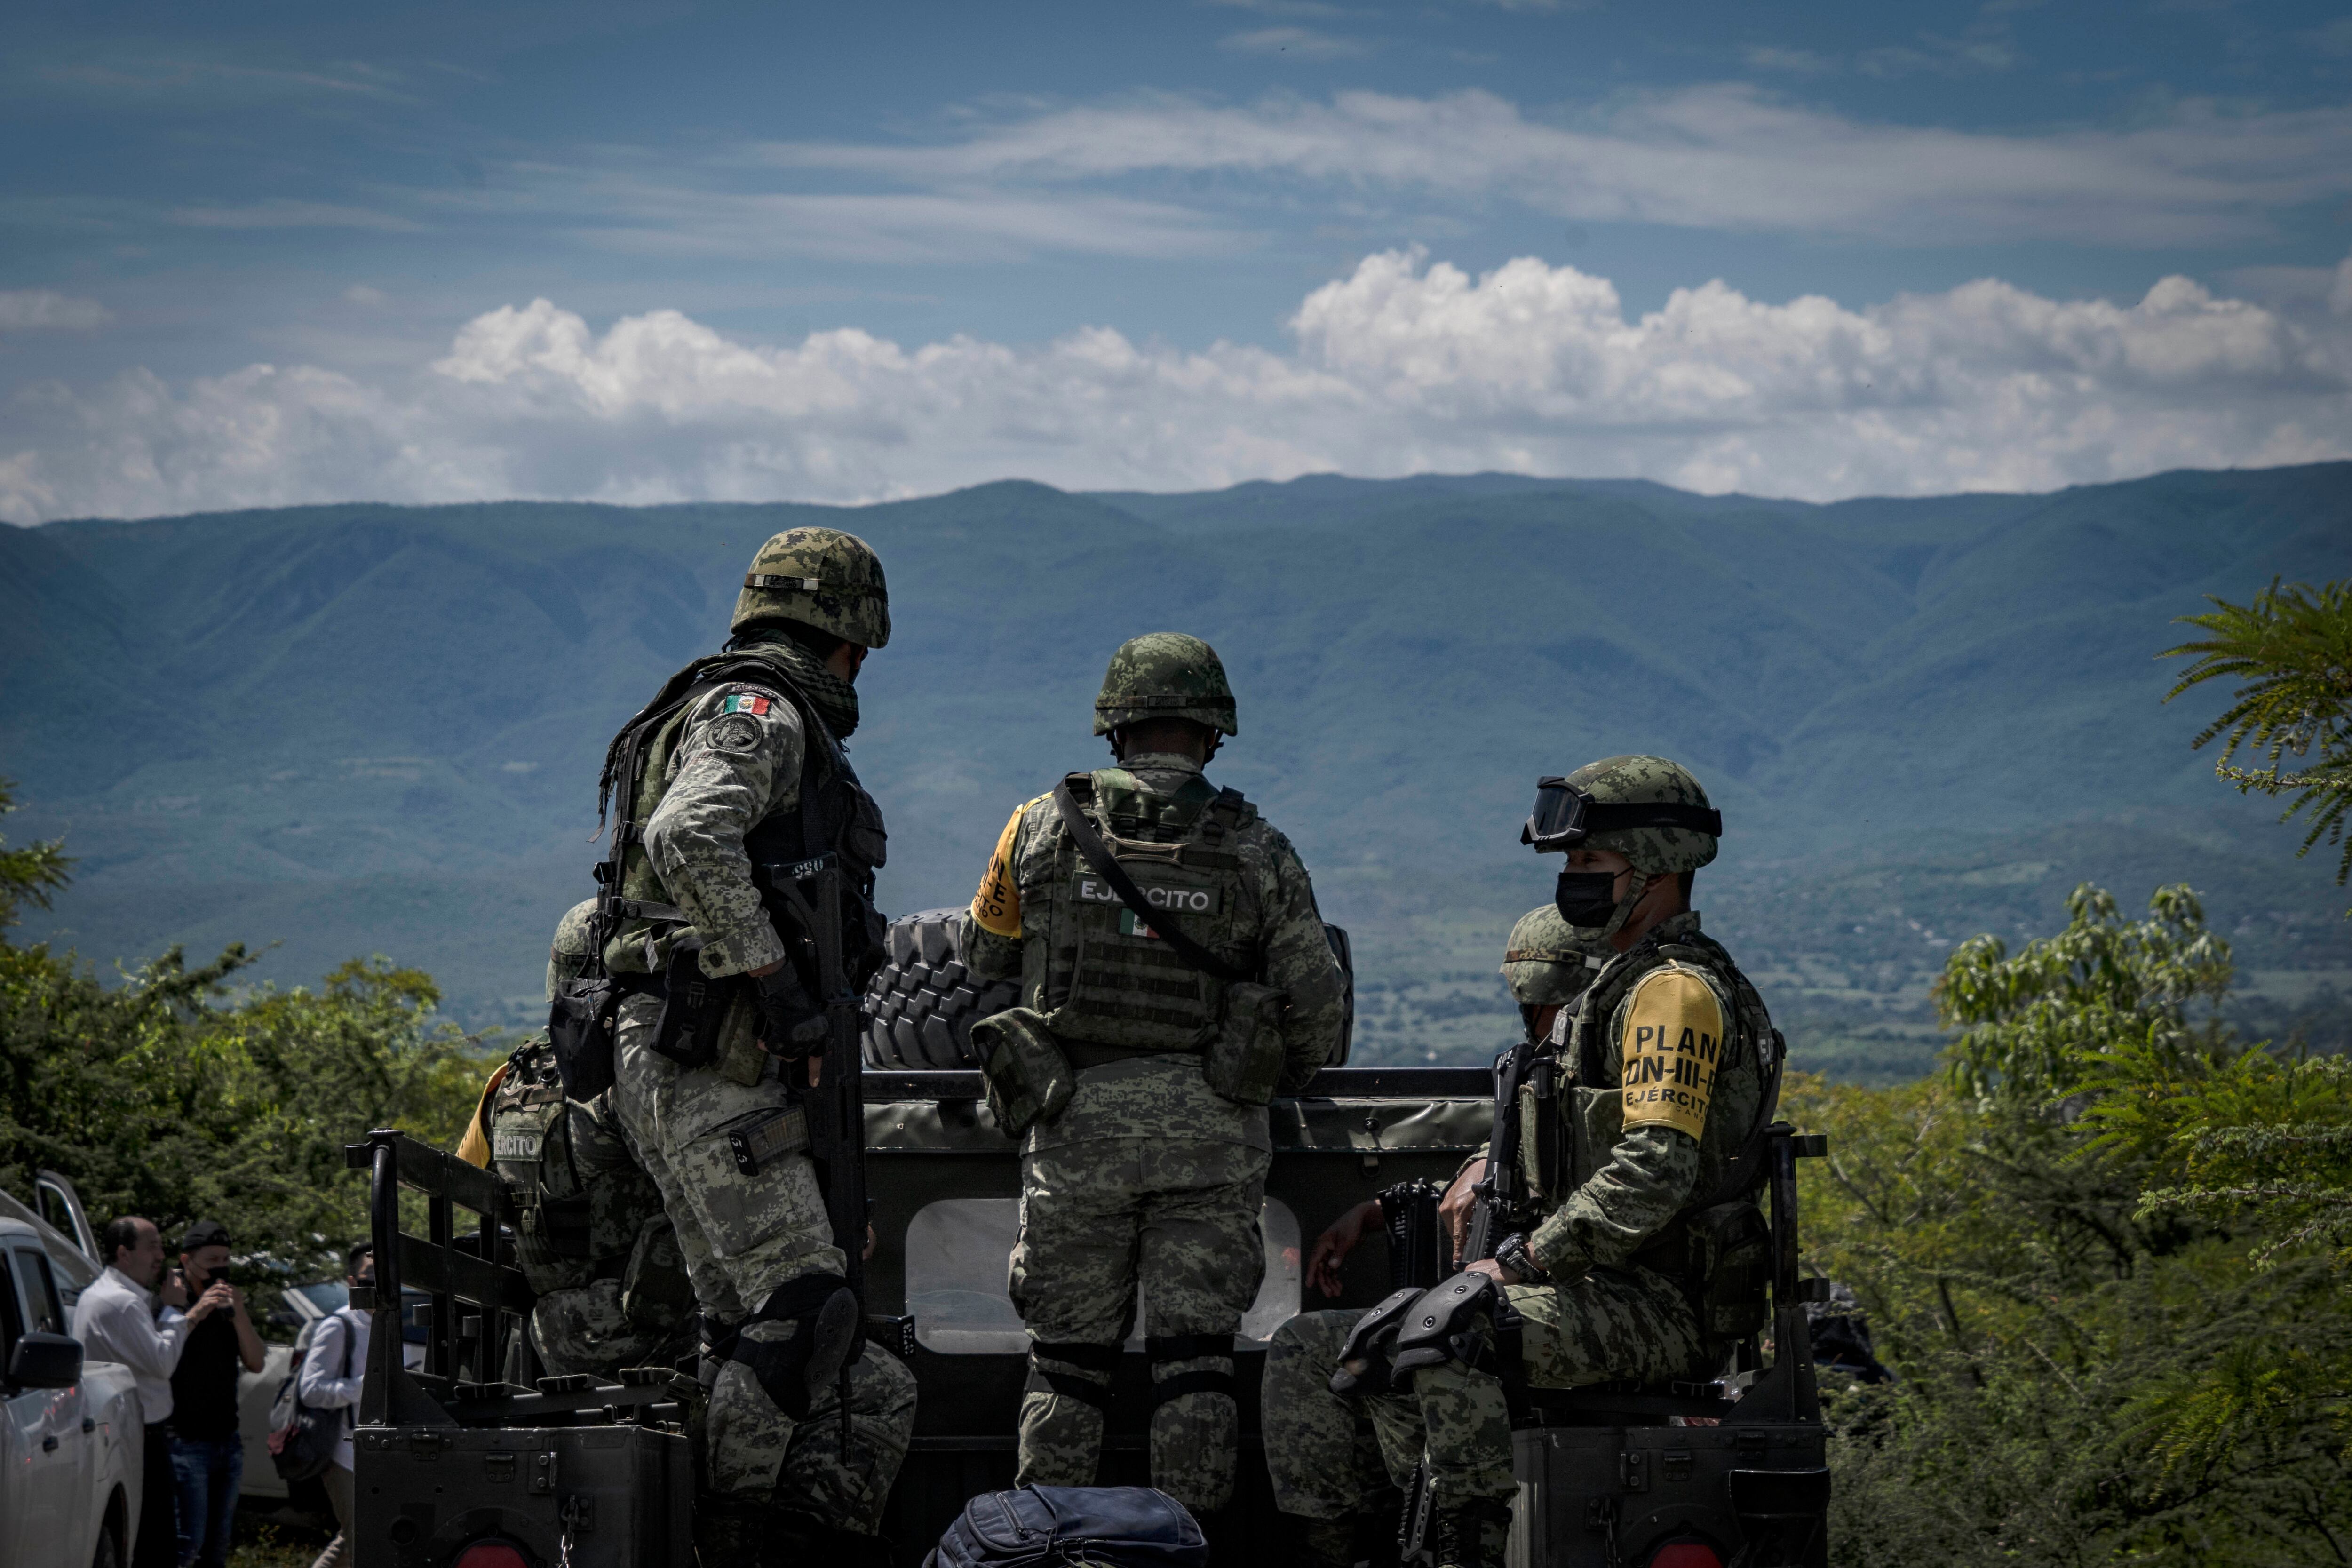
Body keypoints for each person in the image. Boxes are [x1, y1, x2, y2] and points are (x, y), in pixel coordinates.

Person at [1351, 756, 1782, 1568]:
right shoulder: (1617, 989)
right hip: (1598, 1286)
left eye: (1590, 862)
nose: (1572, 881)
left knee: (1451, 1333)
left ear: (1653, 872)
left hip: (1661, 1301)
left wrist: (1515, 1263)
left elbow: (1653, 1171)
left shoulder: (1673, 995)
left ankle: (1465, 1553)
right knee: (1362, 1345)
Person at [958, 632, 1347, 1523]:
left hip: (1075, 1126)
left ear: (1115, 726)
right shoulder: (1260, 847)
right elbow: (1315, 1009)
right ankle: (1183, 1544)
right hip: (1213, 1133)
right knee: (1195, 1366)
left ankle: (1042, 1543)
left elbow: (985, 950)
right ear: (1213, 731)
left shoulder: (1039, 823)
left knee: (1065, 1364)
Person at [596, 527, 915, 1565]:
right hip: (707, 1054)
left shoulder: (726, 705)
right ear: (846, 634)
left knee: (829, 1364)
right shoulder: (759, 709)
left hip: (691, 1060)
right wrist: (779, 991)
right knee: (801, 1308)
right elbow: (688, 834)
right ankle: (729, 1540)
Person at [1262, 906, 1609, 1568]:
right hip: (1515, 1302)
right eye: (1535, 1002)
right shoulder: (1543, 1076)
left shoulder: (1607, 1087)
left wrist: (1508, 1267)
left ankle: (1449, 1539)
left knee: (1421, 1337)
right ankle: (1341, 1550)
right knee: (1309, 1349)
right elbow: (1512, 1174)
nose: (1541, 1016)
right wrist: (1379, 1209)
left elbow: (1594, 1203)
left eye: (1553, 1001)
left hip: (1568, 1306)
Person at [456, 900, 701, 1379]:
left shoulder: (507, 1080)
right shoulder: (637, 1075)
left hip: (552, 1333)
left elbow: (470, 1183)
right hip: (651, 1327)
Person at [72, 1215, 235, 1568]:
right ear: (123, 1253)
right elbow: (163, 1362)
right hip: (141, 1434)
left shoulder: (110, 1296)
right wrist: (182, 1309)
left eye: (161, 1245)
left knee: (148, 1538)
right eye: (152, 1246)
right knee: (156, 1544)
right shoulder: (122, 1303)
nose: (161, 1255)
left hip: (131, 1430)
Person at [167, 1220, 266, 1568]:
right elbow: (161, 1356)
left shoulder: (229, 1305)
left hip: (227, 1440)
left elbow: (256, 1362)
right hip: (185, 1442)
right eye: (212, 1260)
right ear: (186, 1260)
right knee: (187, 1545)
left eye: (226, 1259)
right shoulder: (172, 1301)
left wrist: (238, 1313)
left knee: (217, 1545)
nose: (220, 1267)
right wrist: (197, 1310)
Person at [298, 1245, 373, 1568]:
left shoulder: (394, 1323)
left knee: (354, 1538)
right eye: (371, 1276)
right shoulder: (339, 1325)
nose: (380, 1283)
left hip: (379, 1452)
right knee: (365, 1543)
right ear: (352, 1281)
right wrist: (361, 1387)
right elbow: (310, 1390)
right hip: (345, 1455)